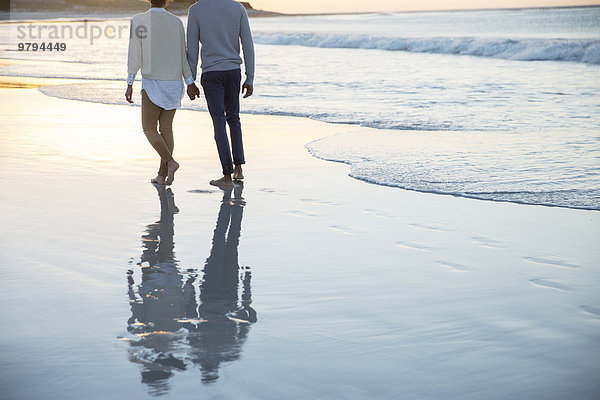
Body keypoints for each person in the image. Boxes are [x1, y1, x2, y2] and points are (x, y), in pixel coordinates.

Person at [125, 0, 200, 186]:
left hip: (152, 82)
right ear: (167, 0)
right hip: (174, 83)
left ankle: (170, 162)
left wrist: (130, 82)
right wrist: (189, 82)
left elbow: (135, 53)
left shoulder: (139, 20)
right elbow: (183, 55)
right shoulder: (176, 22)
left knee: (149, 128)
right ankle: (162, 175)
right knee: (166, 129)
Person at [186, 0, 255, 186]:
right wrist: (250, 77)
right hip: (233, 72)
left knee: (219, 120)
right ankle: (238, 169)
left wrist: (190, 80)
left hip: (211, 73)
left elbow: (192, 48)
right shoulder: (238, 8)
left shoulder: (196, 9)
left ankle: (226, 175)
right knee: (234, 118)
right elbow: (248, 45)